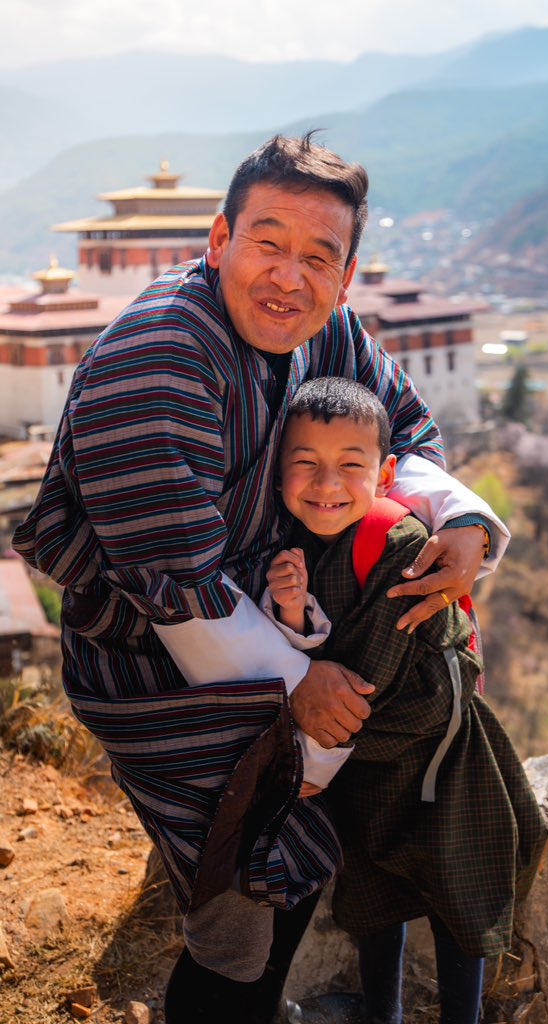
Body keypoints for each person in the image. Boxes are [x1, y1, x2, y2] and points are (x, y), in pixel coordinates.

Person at [12, 133, 511, 1024]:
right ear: (217, 241)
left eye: (319, 256)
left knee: (300, 857)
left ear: (346, 276)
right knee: (253, 880)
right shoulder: (156, 363)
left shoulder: (332, 330)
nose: (290, 275)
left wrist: (463, 519)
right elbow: (182, 592)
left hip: (282, 617)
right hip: (157, 662)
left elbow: (403, 431)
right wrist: (303, 691)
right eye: (267, 242)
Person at [264, 377, 548, 1024]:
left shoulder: (402, 547)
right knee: (375, 897)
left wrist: (309, 760)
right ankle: (381, 1013)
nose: (326, 484)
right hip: (369, 767)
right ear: (278, 471)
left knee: (458, 894)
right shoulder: (297, 545)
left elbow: (364, 680)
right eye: (305, 464)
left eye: (350, 467)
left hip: (437, 759)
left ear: (387, 472)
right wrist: (289, 608)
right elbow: (322, 660)